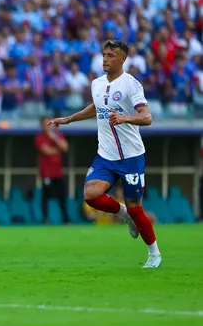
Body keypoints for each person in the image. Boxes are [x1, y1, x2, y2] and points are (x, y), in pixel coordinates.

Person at [48, 40, 161, 268]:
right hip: (106, 155)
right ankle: (123, 213)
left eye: (111, 55)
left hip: (131, 157)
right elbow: (96, 107)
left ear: (122, 59)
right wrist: (69, 119)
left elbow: (146, 117)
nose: (105, 59)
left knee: (137, 208)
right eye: (104, 54)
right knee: (91, 194)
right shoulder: (97, 83)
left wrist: (124, 118)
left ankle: (154, 253)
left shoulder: (131, 85)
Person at [35, 116, 70, 224]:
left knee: (62, 196)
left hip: (58, 172)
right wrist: (58, 149)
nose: (47, 126)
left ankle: (65, 219)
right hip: (46, 173)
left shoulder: (57, 136)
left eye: (49, 123)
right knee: (46, 196)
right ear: (41, 126)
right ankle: (46, 219)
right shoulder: (39, 138)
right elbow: (48, 151)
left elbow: (65, 147)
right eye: (45, 124)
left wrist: (54, 138)